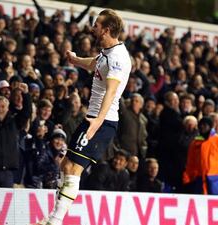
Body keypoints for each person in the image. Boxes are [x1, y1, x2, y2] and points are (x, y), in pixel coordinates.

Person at [36, 9, 131, 225]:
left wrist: (97, 122)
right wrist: (75, 60)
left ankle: (55, 220)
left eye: (97, 24)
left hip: (102, 122)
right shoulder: (108, 52)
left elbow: (111, 91)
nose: (93, 27)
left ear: (106, 29)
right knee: (64, 165)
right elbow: (94, 64)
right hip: (93, 119)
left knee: (72, 168)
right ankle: (53, 217)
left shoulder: (117, 58)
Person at [182, 117, 218, 195]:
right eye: (200, 125)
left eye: (205, 125)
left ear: (210, 126)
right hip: (200, 183)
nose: (202, 127)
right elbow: (190, 165)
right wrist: (188, 180)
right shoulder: (195, 144)